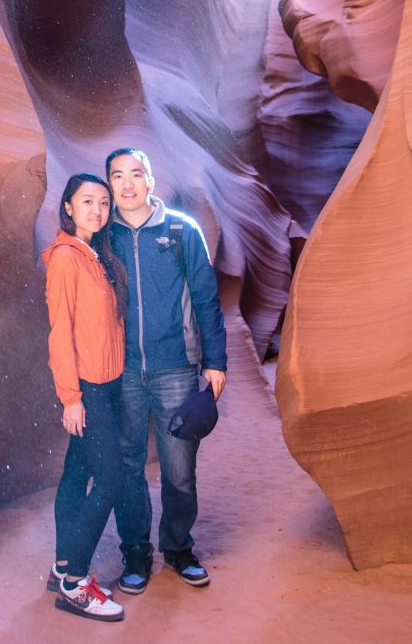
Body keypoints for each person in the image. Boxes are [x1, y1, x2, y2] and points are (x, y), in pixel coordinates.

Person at [106, 147, 227, 593]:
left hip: (175, 366)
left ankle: (177, 548)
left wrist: (215, 360)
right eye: (117, 176)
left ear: (151, 182)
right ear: (110, 185)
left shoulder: (181, 231)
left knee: (179, 467)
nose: (127, 183)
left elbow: (205, 298)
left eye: (136, 174)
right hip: (121, 372)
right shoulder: (105, 236)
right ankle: (136, 554)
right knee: (129, 466)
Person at [42, 173, 129, 622]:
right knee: (110, 480)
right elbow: (60, 334)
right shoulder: (64, 258)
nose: (97, 210)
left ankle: (61, 567)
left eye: (103, 202)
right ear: (68, 207)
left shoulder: (97, 253)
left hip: (106, 385)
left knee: (76, 475)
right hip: (88, 389)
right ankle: (76, 584)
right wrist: (71, 397)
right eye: (87, 201)